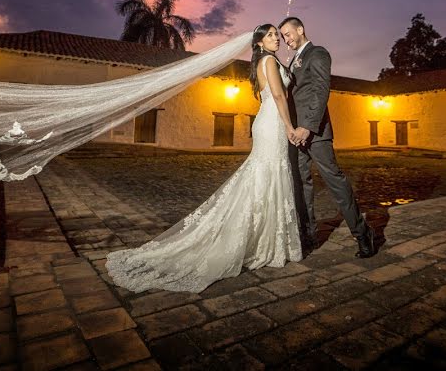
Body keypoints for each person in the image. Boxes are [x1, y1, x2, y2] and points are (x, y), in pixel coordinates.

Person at [105, 24, 302, 293]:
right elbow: (279, 95)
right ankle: (258, 241)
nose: (275, 39)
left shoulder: (266, 61)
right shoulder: (268, 60)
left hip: (268, 122)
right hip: (273, 123)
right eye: (270, 36)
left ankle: (264, 240)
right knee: (266, 174)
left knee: (266, 175)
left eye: (277, 35)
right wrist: (290, 127)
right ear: (258, 43)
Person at [279, 16, 376, 258]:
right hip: (295, 135)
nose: (286, 40)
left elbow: (321, 90)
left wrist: (307, 128)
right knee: (301, 186)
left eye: (288, 34)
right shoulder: (293, 62)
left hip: (316, 134)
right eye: (282, 37)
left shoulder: (318, 53)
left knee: (336, 182)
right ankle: (309, 236)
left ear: (300, 30)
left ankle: (363, 233)